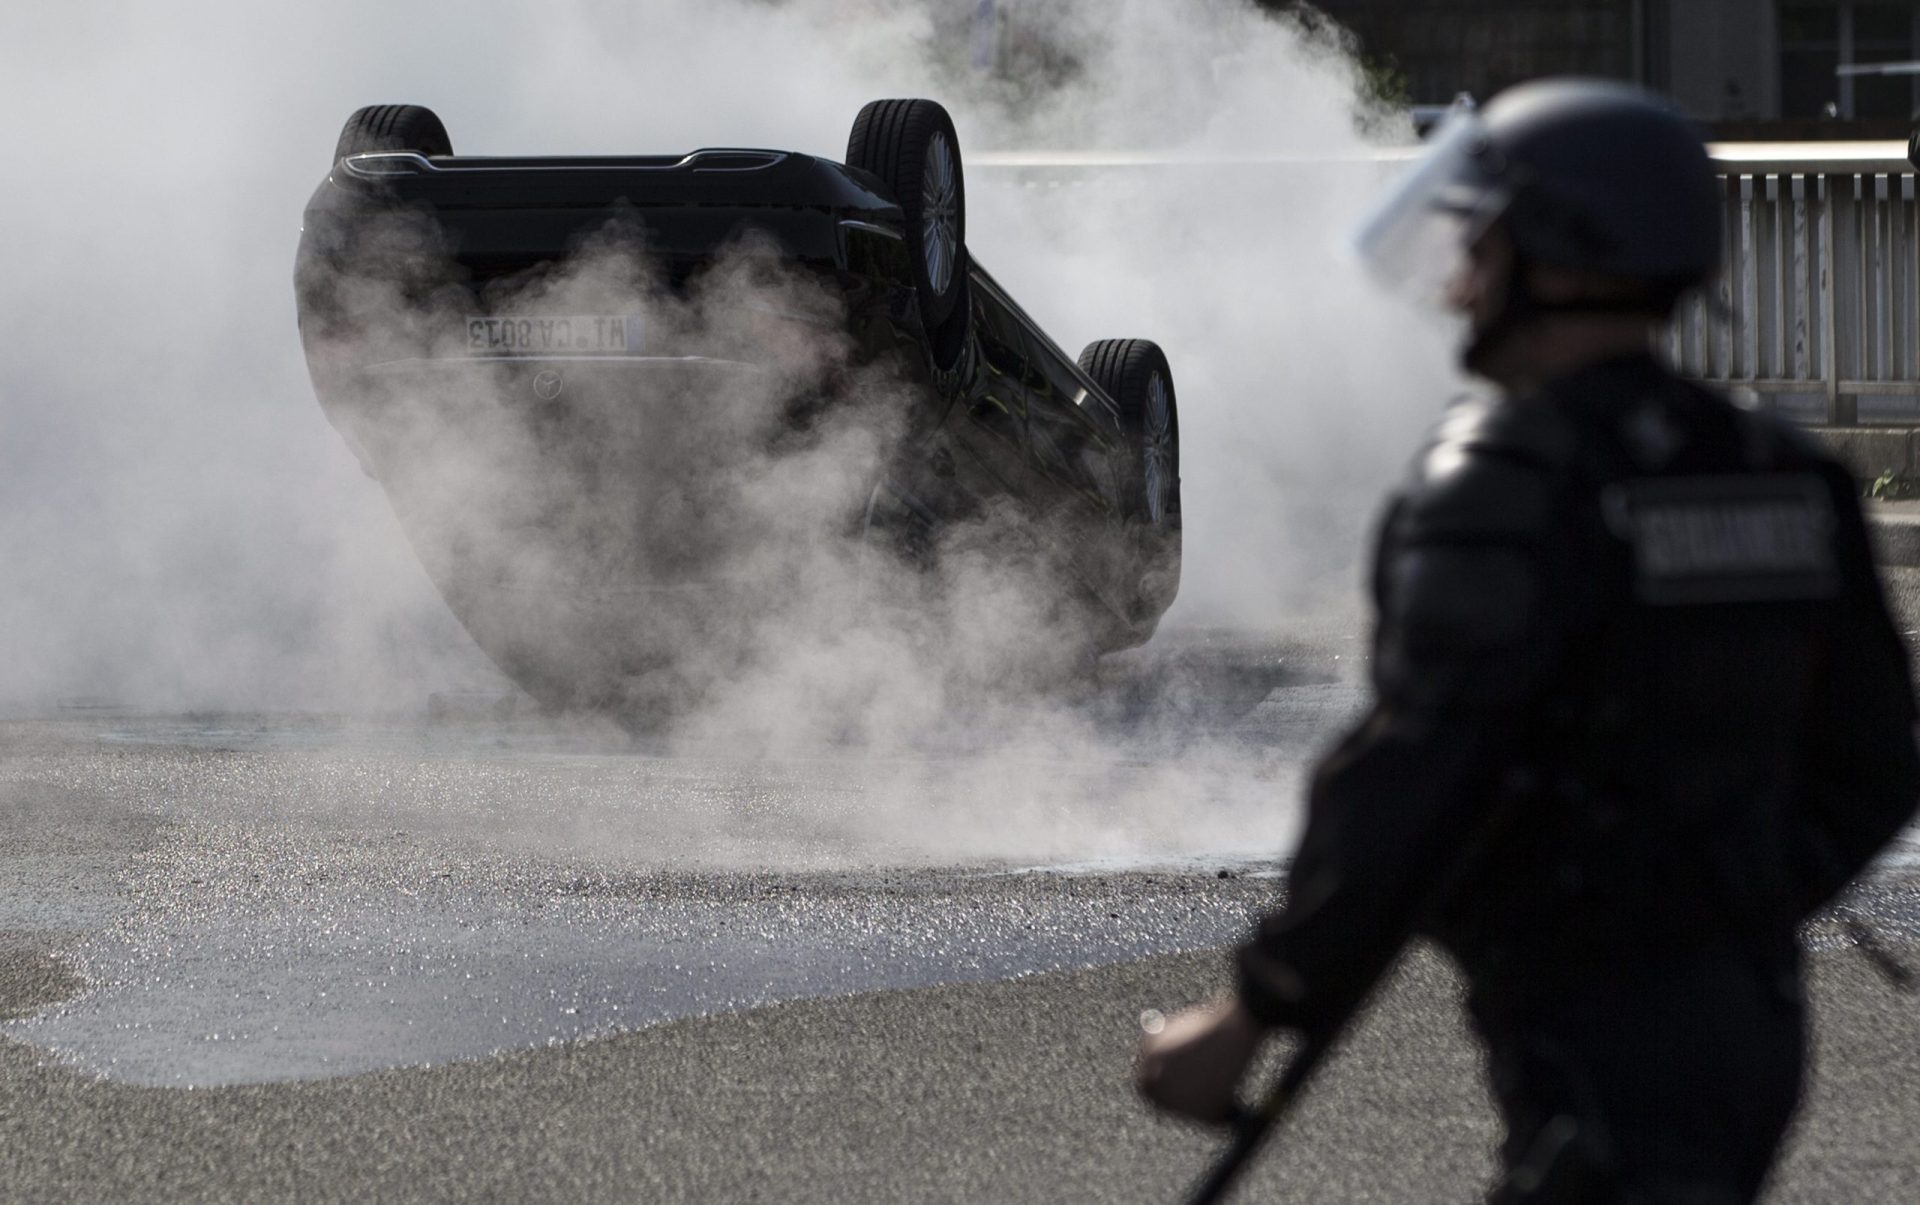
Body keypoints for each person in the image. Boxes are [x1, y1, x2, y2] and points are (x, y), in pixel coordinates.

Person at [1137, 78, 1920, 1203]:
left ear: (1562, 252)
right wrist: (1729, 901)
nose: (1459, 283)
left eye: (1484, 244)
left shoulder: (1508, 477)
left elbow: (1407, 773)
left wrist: (1251, 1008)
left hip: (1592, 1025)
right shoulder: (1780, 473)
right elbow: (1876, 759)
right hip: (1749, 1018)